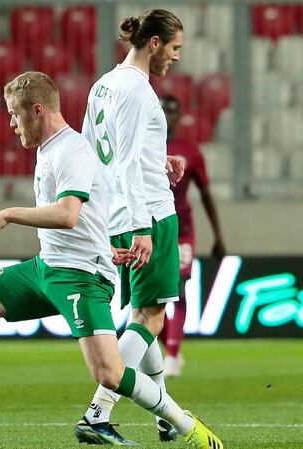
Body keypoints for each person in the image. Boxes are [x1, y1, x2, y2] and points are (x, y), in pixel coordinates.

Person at [0, 71, 224, 449]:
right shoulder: (56, 148)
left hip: (80, 277)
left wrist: (8, 214)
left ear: (37, 110)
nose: (11, 123)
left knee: (110, 373)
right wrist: (158, 162)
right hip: (46, 266)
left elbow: (68, 213)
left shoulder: (69, 151)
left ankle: (186, 425)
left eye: (15, 115)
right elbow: (111, 169)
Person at [75, 9, 206, 446]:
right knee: (151, 319)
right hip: (147, 214)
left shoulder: (104, 85)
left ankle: (164, 415)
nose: (176, 57)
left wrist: (159, 160)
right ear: (154, 43)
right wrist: (141, 227)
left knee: (141, 313)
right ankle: (98, 412)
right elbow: (128, 161)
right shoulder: (137, 90)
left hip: (118, 213)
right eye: (174, 48)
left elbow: (98, 153)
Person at [160, 95, 226, 377]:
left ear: (179, 117)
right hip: (151, 231)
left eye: (172, 111)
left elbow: (206, 194)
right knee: (149, 299)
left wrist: (218, 236)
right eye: (163, 110)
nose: (167, 116)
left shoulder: (190, 150)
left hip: (182, 230)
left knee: (179, 288)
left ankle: (173, 356)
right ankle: (169, 349)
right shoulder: (141, 145)